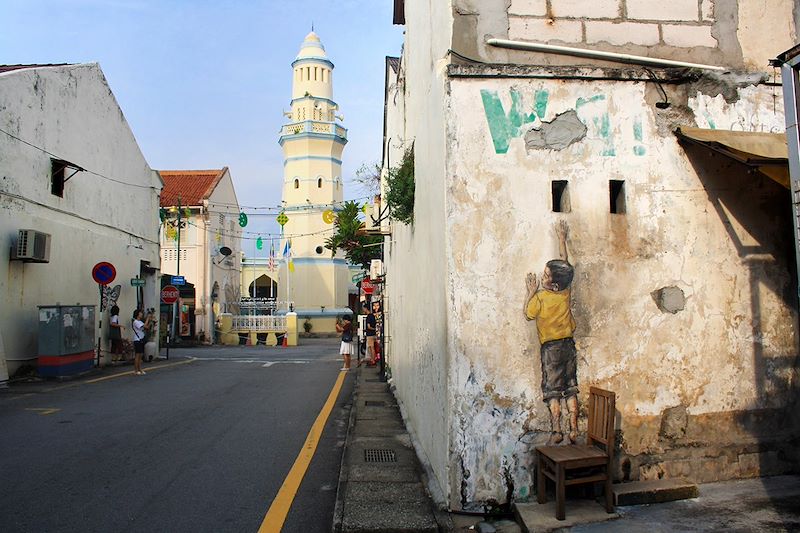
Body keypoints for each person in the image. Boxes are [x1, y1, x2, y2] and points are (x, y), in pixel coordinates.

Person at [524, 221, 578, 445]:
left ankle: (557, 430)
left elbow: (528, 314)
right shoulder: (565, 292)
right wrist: (562, 239)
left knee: (553, 390)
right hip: (568, 345)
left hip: (551, 349)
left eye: (546, 276)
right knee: (571, 387)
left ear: (553, 285)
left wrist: (530, 292)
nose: (542, 276)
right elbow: (565, 265)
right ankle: (574, 429)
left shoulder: (540, 297)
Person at [131, 309, 152, 376]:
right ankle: (136, 370)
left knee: (140, 355)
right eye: (140, 313)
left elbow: (147, 327)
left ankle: (139, 369)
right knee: (137, 355)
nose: (141, 314)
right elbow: (144, 326)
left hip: (141, 339)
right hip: (137, 340)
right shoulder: (136, 322)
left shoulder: (140, 321)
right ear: (137, 314)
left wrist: (151, 322)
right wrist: (148, 319)